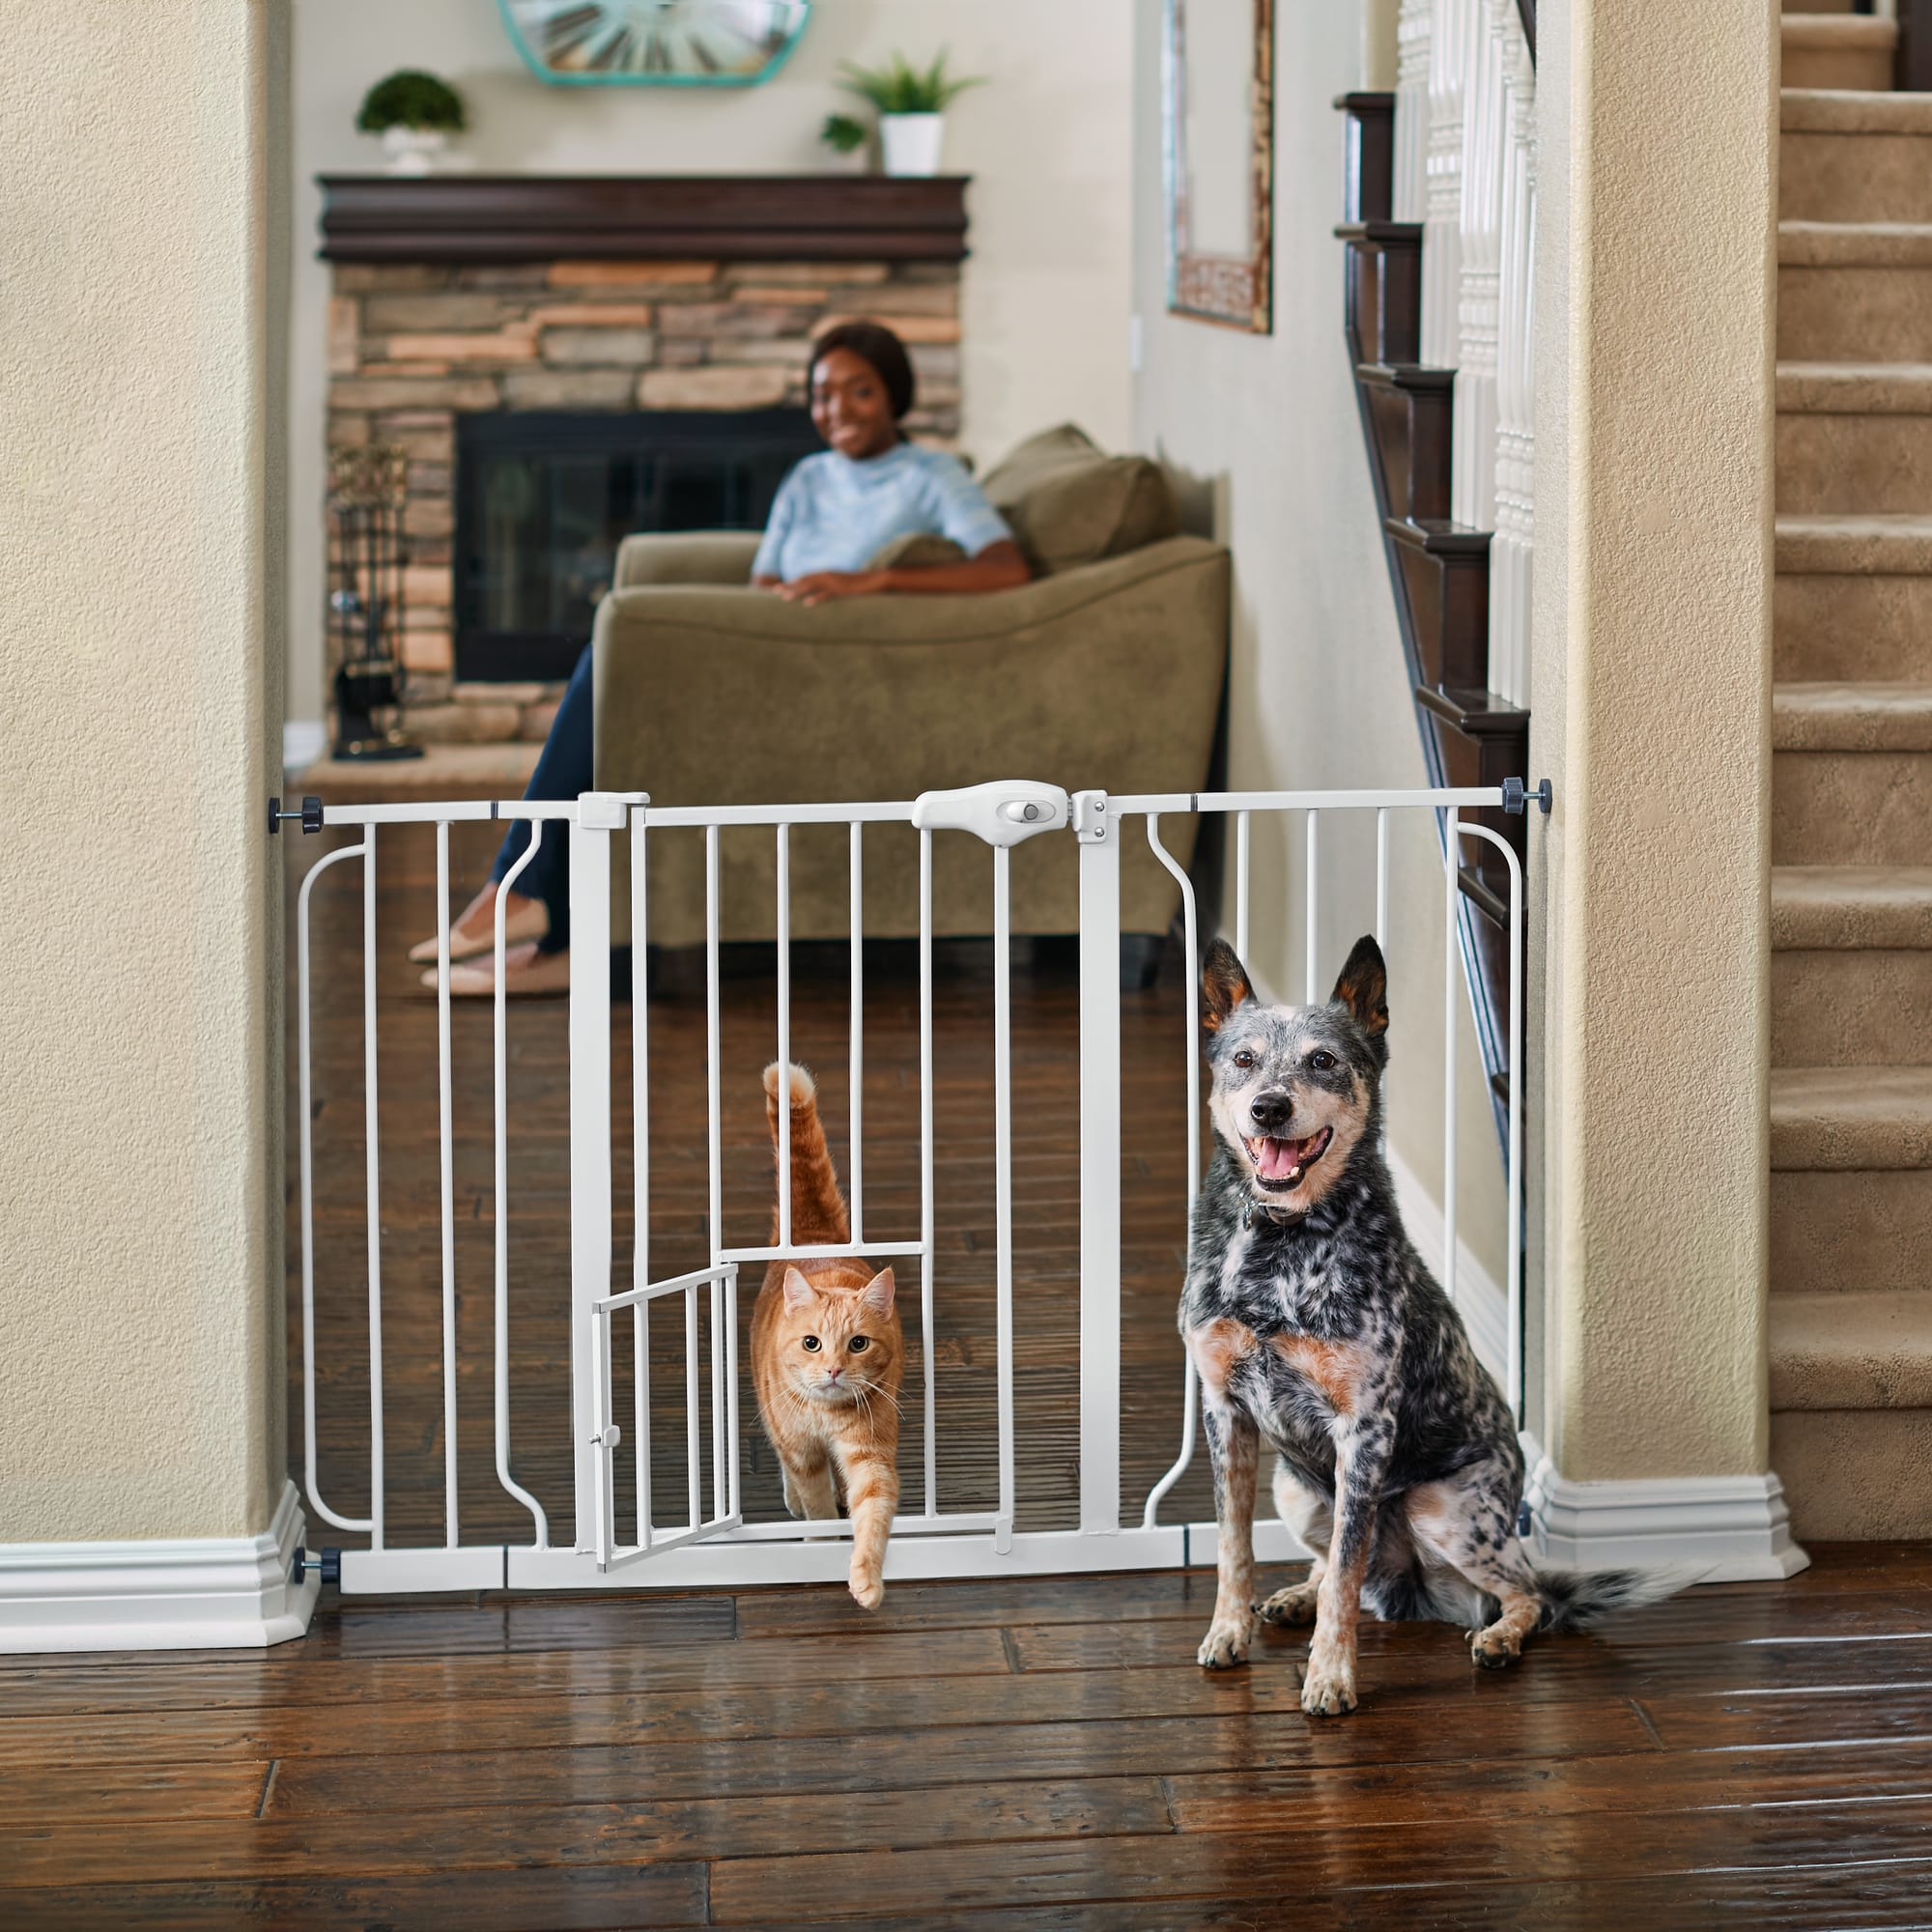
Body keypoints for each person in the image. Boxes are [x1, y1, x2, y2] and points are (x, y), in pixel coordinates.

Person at [412, 320, 1030, 994]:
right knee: (612, 669)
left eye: (860, 392)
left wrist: (869, 581)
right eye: (823, 395)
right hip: (764, 648)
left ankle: (524, 902)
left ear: (895, 397)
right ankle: (550, 931)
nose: (838, 411)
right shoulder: (807, 475)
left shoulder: (932, 476)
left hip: (843, 673)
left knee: (610, 660)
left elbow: (1004, 568)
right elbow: (763, 579)